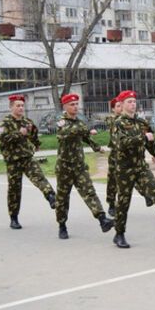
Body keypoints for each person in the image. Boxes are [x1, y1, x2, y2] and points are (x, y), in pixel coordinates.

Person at [111, 90, 155, 248]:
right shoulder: (118, 123)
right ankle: (119, 233)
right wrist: (142, 138)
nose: (133, 104)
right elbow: (120, 143)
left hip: (140, 165)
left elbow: (149, 139)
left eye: (134, 101)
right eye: (129, 102)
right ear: (121, 105)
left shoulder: (141, 122)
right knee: (123, 201)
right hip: (124, 168)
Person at [55, 93, 113, 239]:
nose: (75, 107)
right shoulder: (61, 122)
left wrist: (97, 147)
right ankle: (62, 225)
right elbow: (65, 133)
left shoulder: (80, 122)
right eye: (71, 105)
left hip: (79, 166)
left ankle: (102, 219)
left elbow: (86, 138)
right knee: (62, 198)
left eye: (76, 104)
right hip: (64, 167)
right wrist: (86, 130)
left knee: (89, 192)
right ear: (65, 106)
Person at [0, 94, 56, 229]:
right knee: (14, 189)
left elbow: (33, 132)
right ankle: (14, 218)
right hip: (13, 161)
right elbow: (2, 140)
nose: (21, 108)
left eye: (22, 105)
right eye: (18, 105)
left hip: (27, 157)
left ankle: (51, 196)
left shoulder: (27, 122)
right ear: (11, 107)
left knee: (39, 177)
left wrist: (36, 143)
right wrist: (19, 133)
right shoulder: (5, 123)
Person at [105, 96, 154, 218]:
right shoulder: (112, 120)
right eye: (118, 106)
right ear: (113, 109)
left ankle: (146, 195)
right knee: (112, 181)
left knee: (134, 177)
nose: (120, 108)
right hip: (115, 155)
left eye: (121, 105)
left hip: (128, 156)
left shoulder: (130, 120)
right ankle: (111, 203)